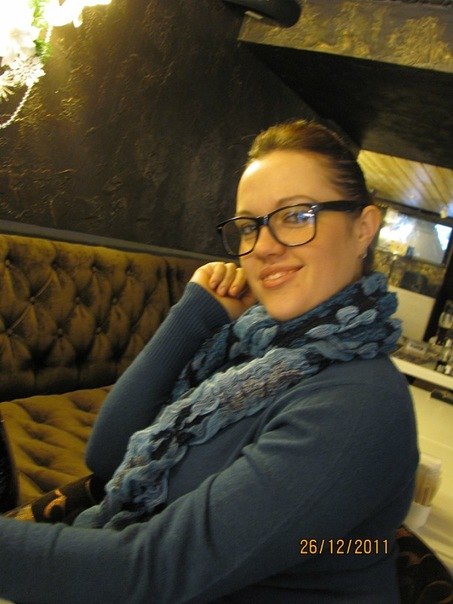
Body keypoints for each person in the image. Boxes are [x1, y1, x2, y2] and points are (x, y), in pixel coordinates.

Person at [0, 119, 418, 603]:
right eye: (249, 226)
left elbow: (150, 570)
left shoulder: (358, 404)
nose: (263, 247)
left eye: (296, 216)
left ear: (363, 228)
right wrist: (195, 313)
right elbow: (110, 456)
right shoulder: (254, 350)